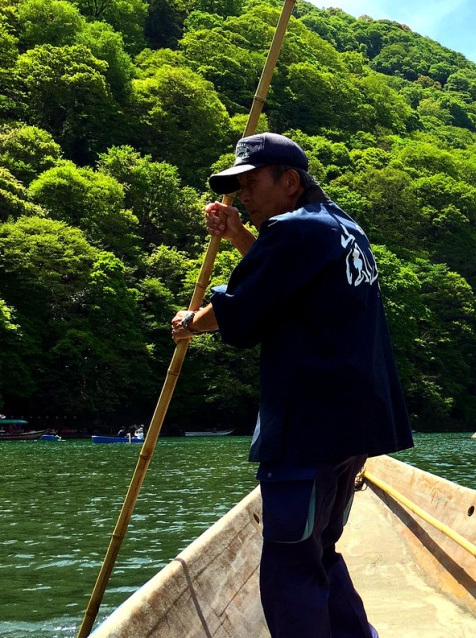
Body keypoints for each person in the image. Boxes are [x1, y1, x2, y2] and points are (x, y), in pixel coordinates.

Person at [170, 132, 413, 637]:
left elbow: (245, 311)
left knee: (289, 568)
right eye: (236, 188)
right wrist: (240, 234)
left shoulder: (293, 231)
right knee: (318, 552)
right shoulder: (342, 228)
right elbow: (284, 282)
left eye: (251, 183)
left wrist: (191, 323)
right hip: (352, 429)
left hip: (309, 427)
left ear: (290, 181)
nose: (244, 197)